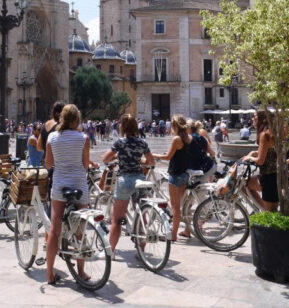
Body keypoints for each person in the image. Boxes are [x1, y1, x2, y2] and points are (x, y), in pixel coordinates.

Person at [45, 104, 91, 285]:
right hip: (79, 184)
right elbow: (85, 165)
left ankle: (49, 273)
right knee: (81, 230)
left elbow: (49, 164)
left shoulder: (52, 138)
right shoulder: (83, 138)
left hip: (59, 185)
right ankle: (81, 271)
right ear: (77, 119)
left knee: (54, 230)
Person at [102, 114, 155, 252]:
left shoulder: (120, 142)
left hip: (124, 180)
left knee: (117, 220)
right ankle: (141, 251)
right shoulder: (142, 142)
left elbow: (105, 158)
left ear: (122, 127)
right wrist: (140, 160)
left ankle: (111, 251)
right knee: (142, 215)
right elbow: (151, 161)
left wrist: (116, 156)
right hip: (139, 178)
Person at [152, 114, 192, 241]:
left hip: (175, 175)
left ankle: (173, 235)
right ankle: (187, 230)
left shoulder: (176, 139)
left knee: (175, 208)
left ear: (175, 126)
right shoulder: (188, 138)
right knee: (182, 205)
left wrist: (155, 155)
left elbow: (168, 157)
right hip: (185, 174)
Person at [242, 111, 278, 211]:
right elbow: (269, 151)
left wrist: (250, 158)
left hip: (268, 177)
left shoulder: (263, 135)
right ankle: (261, 210)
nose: (252, 119)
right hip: (274, 175)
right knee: (272, 211)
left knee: (270, 213)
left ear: (262, 119)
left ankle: (261, 210)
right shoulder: (271, 132)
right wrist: (255, 152)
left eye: (254, 116)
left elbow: (260, 161)